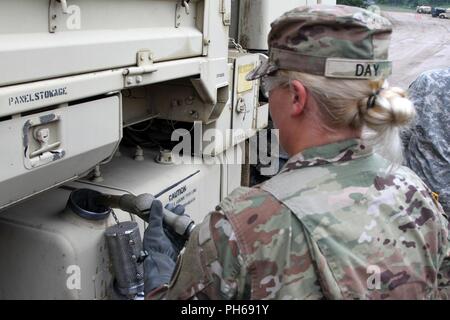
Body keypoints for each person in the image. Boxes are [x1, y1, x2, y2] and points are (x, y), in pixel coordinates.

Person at [143, 5, 450, 300]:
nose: (268, 98)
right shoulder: (416, 194)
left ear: (296, 98)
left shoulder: (239, 223)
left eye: (269, 85)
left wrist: (160, 277)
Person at [401, 68, 450, 214]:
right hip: (420, 201)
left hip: (419, 203)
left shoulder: (429, 82)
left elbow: (400, 135)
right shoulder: (430, 82)